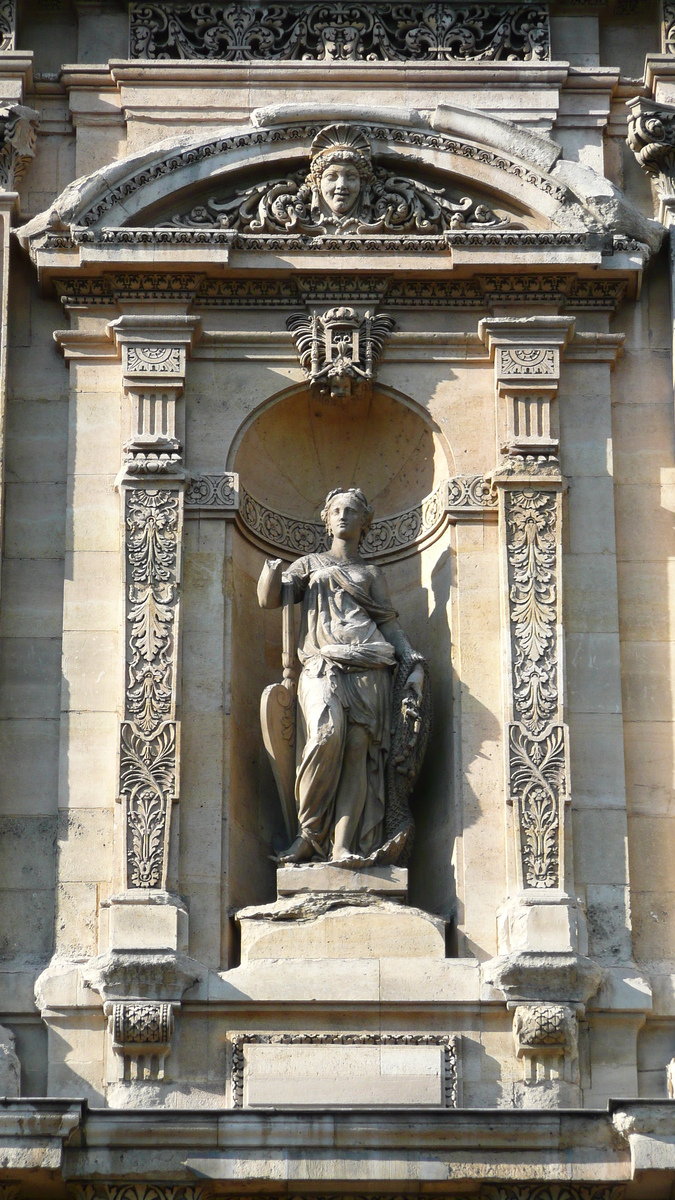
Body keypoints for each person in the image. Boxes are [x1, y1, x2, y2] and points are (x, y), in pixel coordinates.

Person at [257, 487, 427, 865]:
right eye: (336, 510)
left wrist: (413, 662)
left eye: (351, 511)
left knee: (358, 757)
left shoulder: (370, 573)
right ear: (326, 518)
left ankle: (343, 846)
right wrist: (270, 572)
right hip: (322, 665)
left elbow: (388, 625)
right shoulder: (310, 564)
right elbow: (271, 600)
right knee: (324, 735)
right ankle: (309, 833)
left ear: (365, 522)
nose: (343, 516)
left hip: (370, 668)